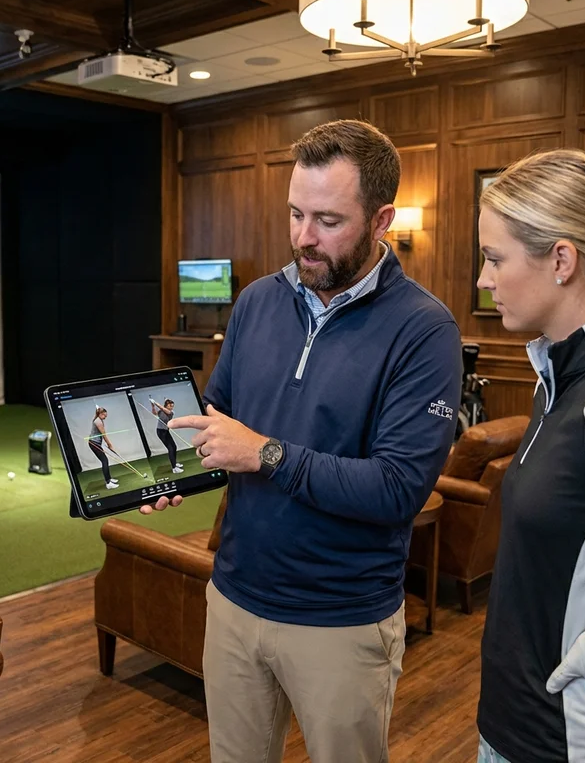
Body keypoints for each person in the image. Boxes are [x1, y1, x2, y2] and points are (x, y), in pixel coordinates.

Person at [145, 119, 463, 763]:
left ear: (381, 221)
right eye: (295, 214)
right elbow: (221, 419)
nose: (303, 238)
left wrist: (265, 453)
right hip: (234, 599)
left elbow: (397, 489)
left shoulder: (425, 330)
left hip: (342, 621)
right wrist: (173, 469)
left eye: (328, 220)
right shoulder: (257, 301)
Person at [475, 148, 585, 763]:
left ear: (562, 260)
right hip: (508, 721)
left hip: (565, 742)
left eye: (494, 259)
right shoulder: (558, 373)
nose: (483, 279)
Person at [88, 407, 119, 489]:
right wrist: (109, 445)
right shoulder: (98, 422)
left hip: (95, 443)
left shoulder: (98, 419)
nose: (105, 417)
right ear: (100, 414)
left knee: (105, 460)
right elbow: (103, 434)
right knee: (104, 461)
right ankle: (108, 483)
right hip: (94, 443)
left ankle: (109, 479)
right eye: (104, 415)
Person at [151, 397, 183, 473]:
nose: (171, 407)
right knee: (170, 448)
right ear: (166, 405)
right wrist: (152, 406)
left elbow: (163, 408)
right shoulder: (161, 411)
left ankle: (174, 463)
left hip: (166, 431)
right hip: (160, 432)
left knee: (174, 447)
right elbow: (154, 413)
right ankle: (174, 468)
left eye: (172, 406)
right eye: (170, 406)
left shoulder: (171, 413)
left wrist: (155, 402)